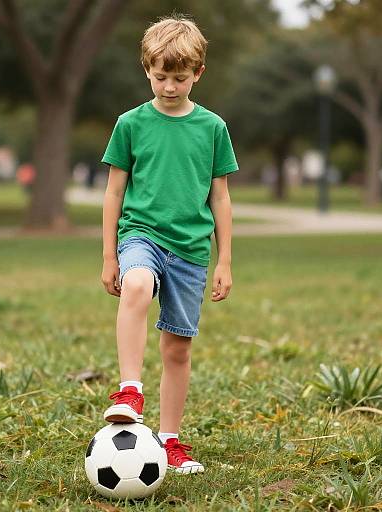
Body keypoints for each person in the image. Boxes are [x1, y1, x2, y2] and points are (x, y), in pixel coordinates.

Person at [100, 14, 238, 475]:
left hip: (191, 250)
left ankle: (170, 441)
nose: (170, 87)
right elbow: (114, 193)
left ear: (198, 73)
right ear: (146, 70)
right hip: (140, 234)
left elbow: (219, 196)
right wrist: (108, 256)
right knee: (137, 285)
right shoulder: (130, 124)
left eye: (180, 78)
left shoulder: (213, 128)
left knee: (177, 349)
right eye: (160, 76)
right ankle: (129, 390)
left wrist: (226, 261)